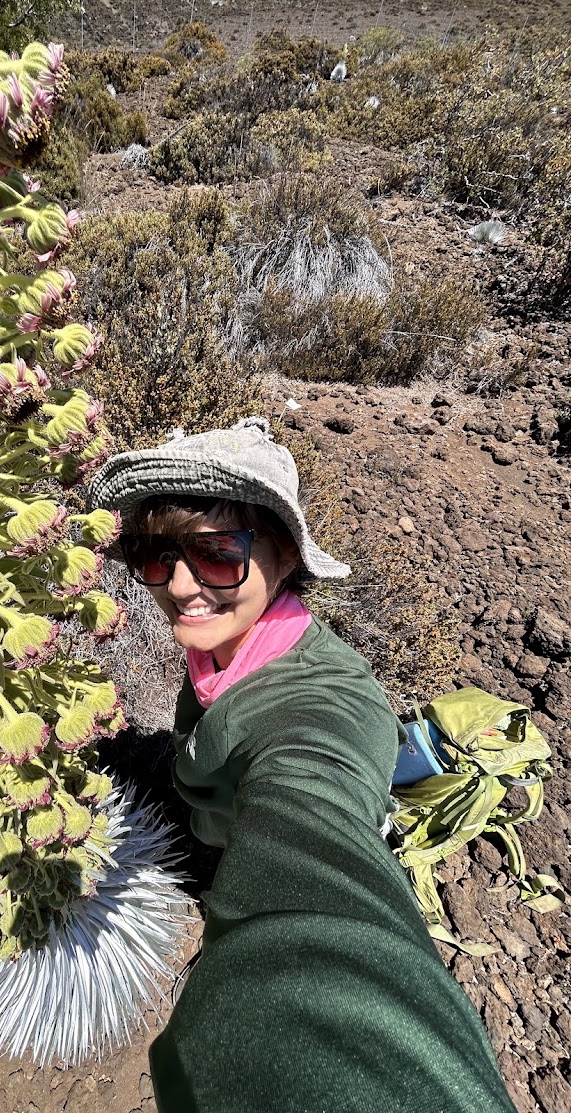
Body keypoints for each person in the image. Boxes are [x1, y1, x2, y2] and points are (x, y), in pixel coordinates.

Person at [88, 417, 516, 1113]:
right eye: (154, 555)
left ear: (285, 556)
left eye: (218, 552)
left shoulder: (322, 707)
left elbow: (309, 792)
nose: (183, 585)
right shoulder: (225, 644)